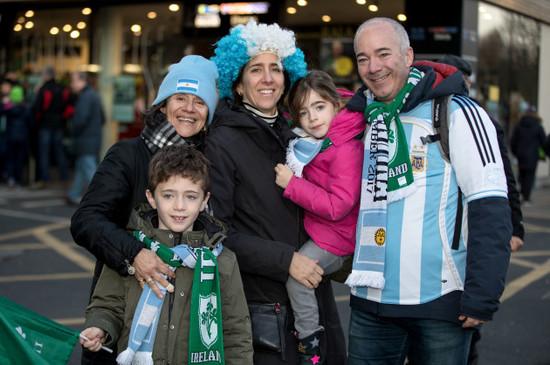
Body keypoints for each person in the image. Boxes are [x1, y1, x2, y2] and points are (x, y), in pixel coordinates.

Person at [345, 18, 511, 365]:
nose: (373, 67)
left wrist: (482, 295)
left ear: (408, 55)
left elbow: (491, 208)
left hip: (439, 302)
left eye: (383, 54)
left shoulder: (457, 113)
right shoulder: (361, 117)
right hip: (368, 302)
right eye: (362, 58)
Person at [205, 20, 347, 364]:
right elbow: (215, 233)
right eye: (256, 69)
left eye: (275, 68)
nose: (268, 78)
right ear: (237, 85)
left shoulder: (298, 135)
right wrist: (287, 262)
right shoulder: (221, 143)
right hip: (264, 307)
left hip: (314, 294)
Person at [70, 55, 219, 364]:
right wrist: (135, 254)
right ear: (163, 105)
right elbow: (86, 220)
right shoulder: (128, 155)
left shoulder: (210, 164)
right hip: (123, 317)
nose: (189, 108)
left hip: (186, 327)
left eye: (200, 101)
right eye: (180, 98)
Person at [79, 143, 253, 364]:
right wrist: (100, 327)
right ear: (151, 198)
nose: (179, 206)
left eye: (190, 196)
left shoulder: (222, 260)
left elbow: (236, 332)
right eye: (169, 195)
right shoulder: (132, 249)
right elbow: (107, 304)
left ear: (204, 201)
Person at [433, 54, 526, 365]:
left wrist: (515, 227)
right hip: (437, 242)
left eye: (461, 80)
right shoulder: (425, 116)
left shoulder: (481, 122)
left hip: (471, 230)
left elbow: (504, 181)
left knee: (463, 330)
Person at [273, 70, 364, 363]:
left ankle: (310, 344)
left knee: (297, 278)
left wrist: (293, 185)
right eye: (304, 112)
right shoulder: (313, 140)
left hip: (337, 238)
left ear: (336, 104)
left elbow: (339, 206)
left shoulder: (345, 147)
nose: (312, 118)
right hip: (321, 230)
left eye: (320, 107)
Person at [65, 71, 104, 205]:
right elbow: (103, 118)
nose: (72, 84)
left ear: (83, 81)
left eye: (74, 81)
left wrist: (73, 131)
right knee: (82, 168)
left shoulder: (85, 97)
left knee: (89, 170)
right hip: (90, 139)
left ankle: (102, 197)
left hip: (85, 139)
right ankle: (73, 194)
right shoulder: (93, 95)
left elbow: (80, 120)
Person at [32, 65, 71, 188]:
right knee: (59, 150)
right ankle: (64, 177)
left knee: (44, 152)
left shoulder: (44, 89)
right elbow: (69, 108)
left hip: (45, 125)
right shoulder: (63, 88)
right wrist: (63, 119)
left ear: (46, 75)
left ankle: (45, 179)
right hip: (59, 124)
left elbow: (37, 109)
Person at [511, 105, 546, 205]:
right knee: (529, 176)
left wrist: (515, 152)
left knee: (522, 174)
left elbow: (513, 141)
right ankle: (526, 197)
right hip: (532, 156)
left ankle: (522, 193)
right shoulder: (538, 127)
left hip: (520, 155)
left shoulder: (519, 125)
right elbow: (544, 142)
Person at [0, 78, 32, 188]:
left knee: (10, 159)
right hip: (22, 137)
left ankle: (11, 179)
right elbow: (31, 123)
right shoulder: (26, 107)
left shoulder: (8, 108)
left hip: (11, 137)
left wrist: (4, 103)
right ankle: (18, 180)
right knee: (19, 159)